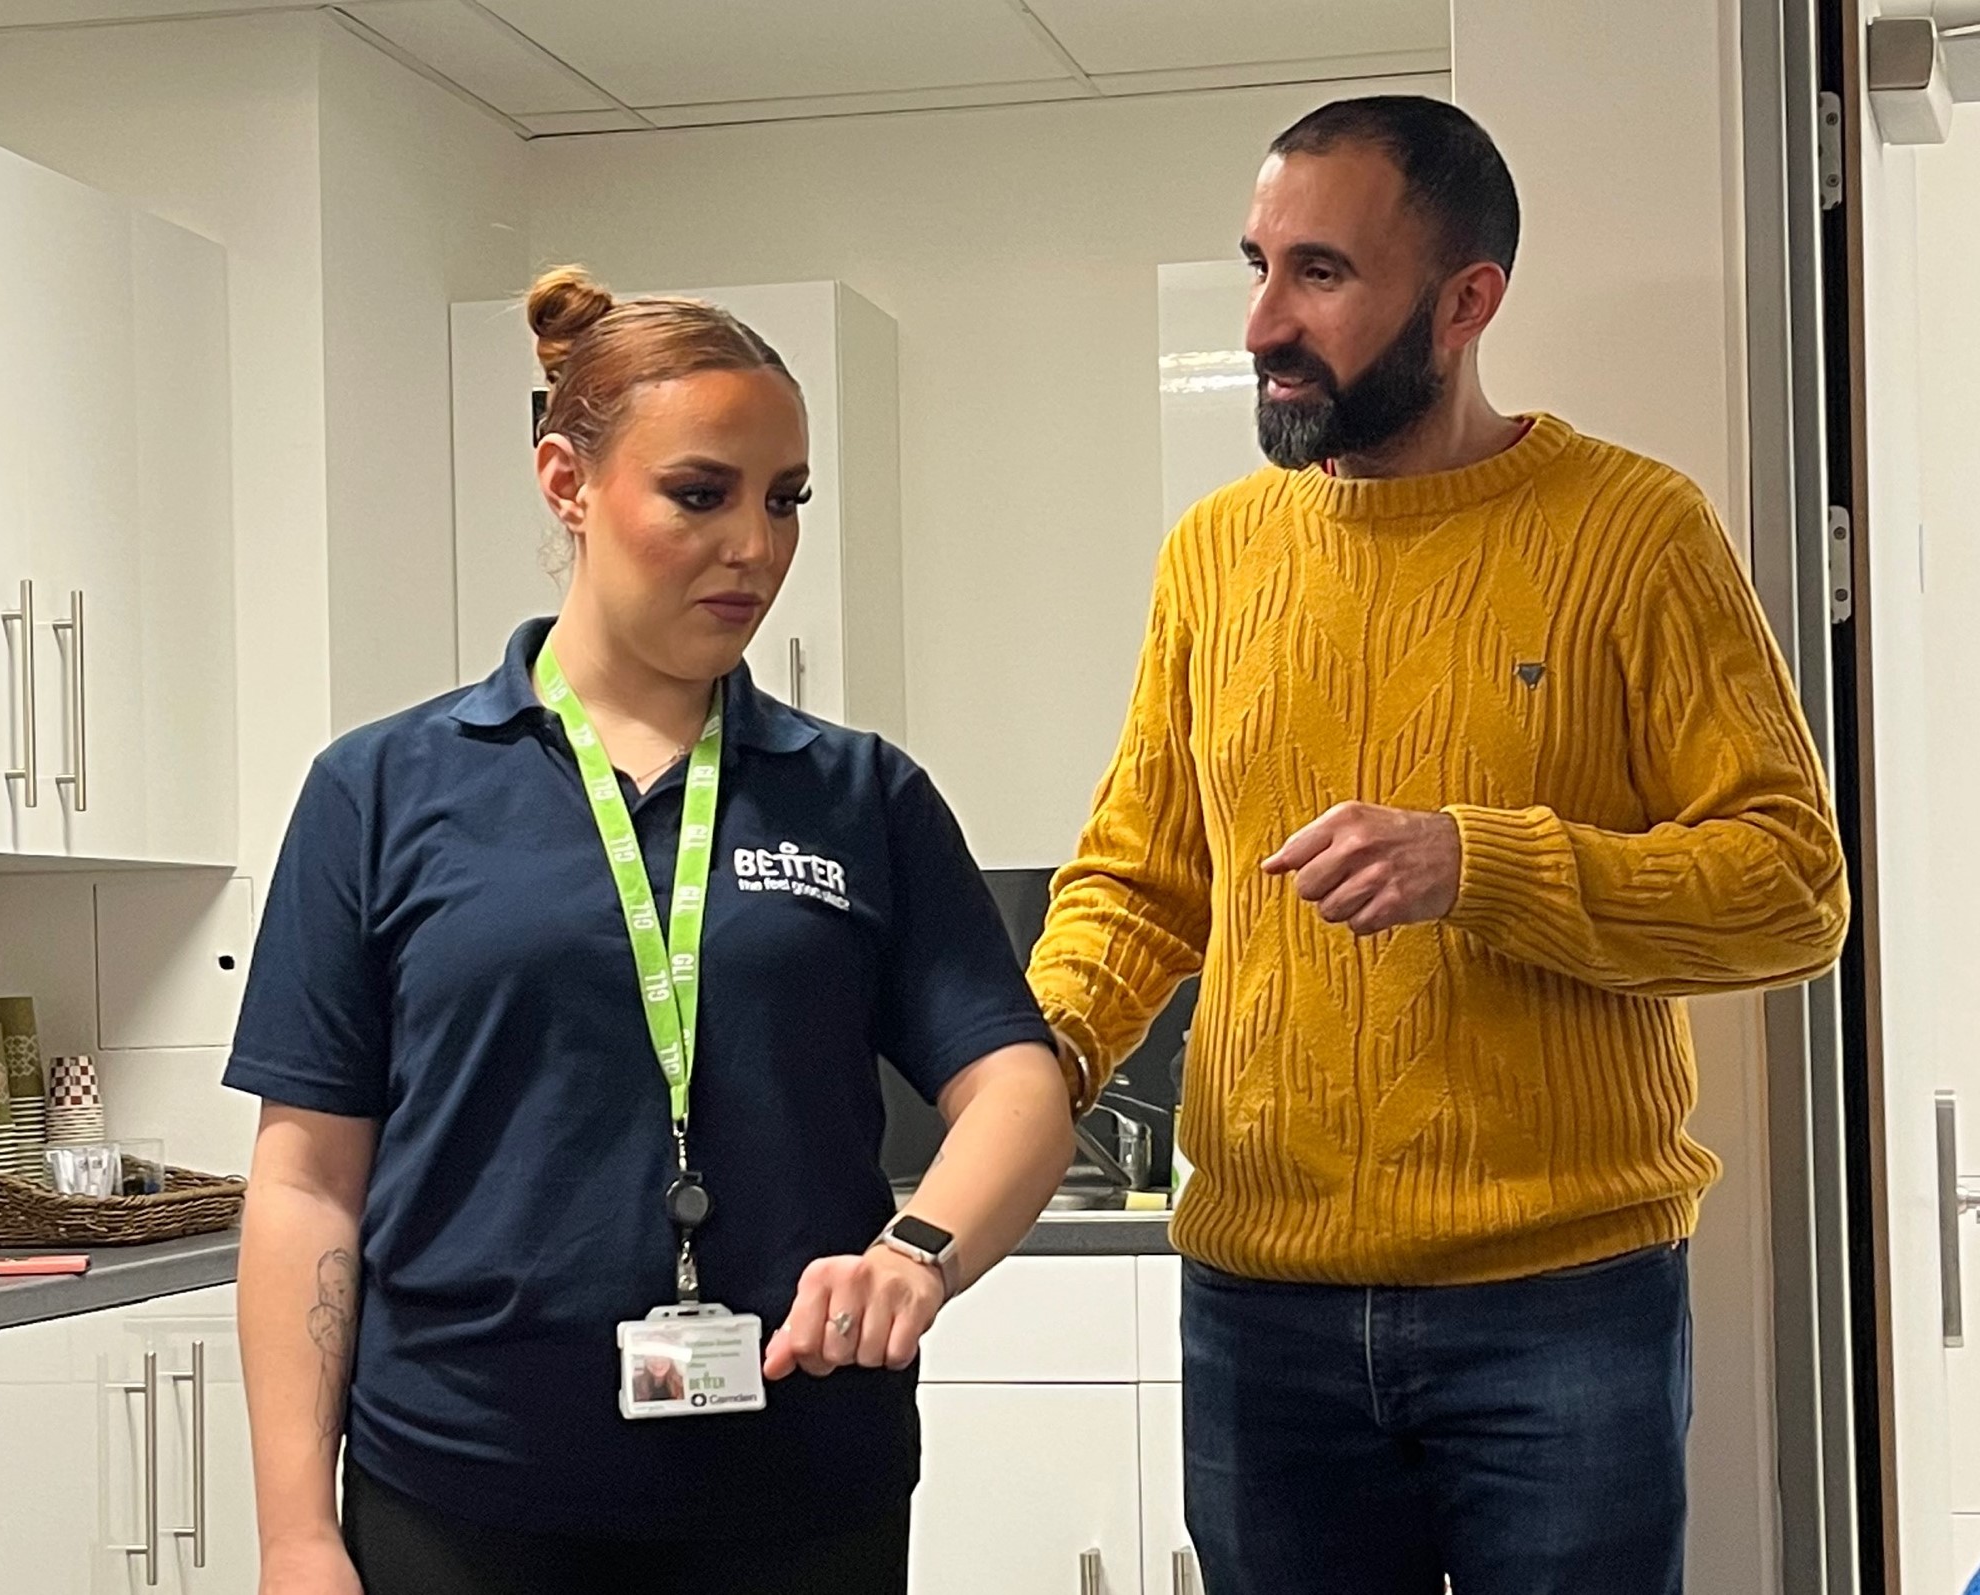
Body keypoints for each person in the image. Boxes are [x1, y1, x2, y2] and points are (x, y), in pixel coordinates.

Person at [1028, 95, 1850, 1595]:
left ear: (1468, 302)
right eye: (1256, 264)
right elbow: (1141, 885)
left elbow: (1793, 890)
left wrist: (1487, 866)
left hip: (1562, 1308)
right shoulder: (1215, 553)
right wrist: (1030, 1069)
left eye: (1321, 274)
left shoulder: (1637, 531)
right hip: (1257, 1309)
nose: (1266, 320)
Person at [228, 265, 1076, 1595]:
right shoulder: (382, 790)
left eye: (786, 498)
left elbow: (1019, 1083)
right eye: (702, 493)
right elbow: (307, 1181)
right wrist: (294, 1531)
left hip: (798, 1493)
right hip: (462, 1493)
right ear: (566, 481)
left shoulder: (863, 795)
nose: (758, 543)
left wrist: (922, 1253)